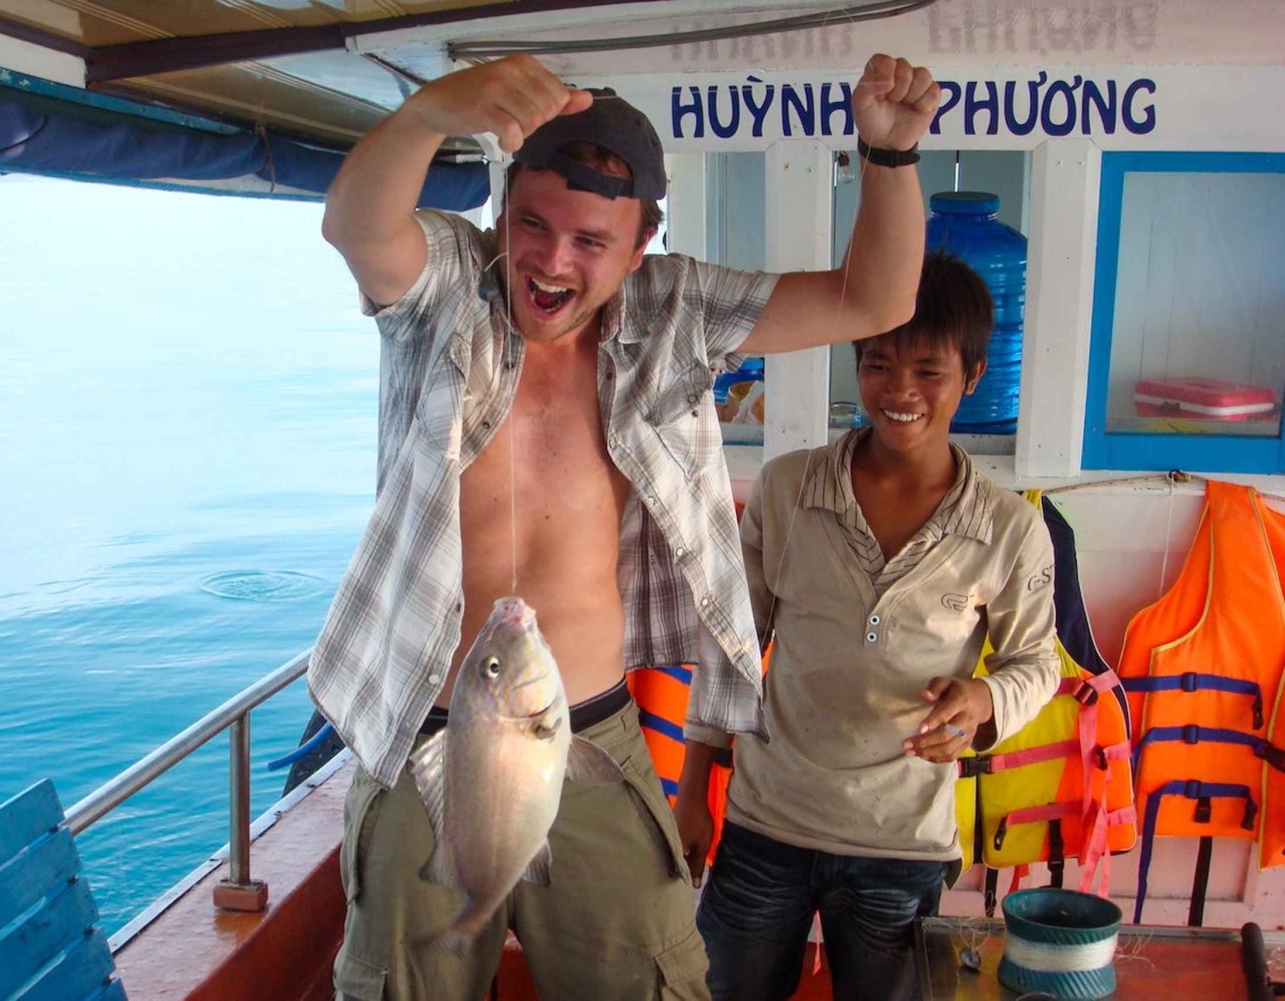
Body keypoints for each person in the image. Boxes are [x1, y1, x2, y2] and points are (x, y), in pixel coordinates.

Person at [313, 50, 940, 1001]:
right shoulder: (445, 285)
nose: (551, 261)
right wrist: (432, 111)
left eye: (590, 240)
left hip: (593, 734)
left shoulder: (676, 307)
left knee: (653, 979)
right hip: (422, 732)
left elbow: (875, 299)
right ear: (502, 210)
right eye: (532, 223)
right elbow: (356, 225)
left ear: (643, 243)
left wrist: (889, 158)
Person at [676, 252, 1062, 1001]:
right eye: (878, 365)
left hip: (902, 841)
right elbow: (732, 645)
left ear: (973, 375)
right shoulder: (789, 489)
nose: (900, 391)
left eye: (929, 370)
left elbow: (1035, 662)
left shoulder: (1008, 528)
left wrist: (982, 700)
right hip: (766, 824)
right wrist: (694, 788)